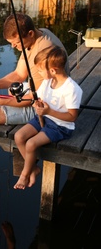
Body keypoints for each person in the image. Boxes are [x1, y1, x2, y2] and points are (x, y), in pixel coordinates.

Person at [0, 13, 69, 188]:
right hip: (44, 94)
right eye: (12, 44)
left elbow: (33, 98)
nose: (15, 48)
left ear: (30, 33)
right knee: (11, 89)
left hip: (47, 107)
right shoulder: (41, 34)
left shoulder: (43, 51)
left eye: (17, 43)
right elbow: (19, 74)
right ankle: (29, 168)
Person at [13, 45, 82, 189]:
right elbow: (41, 99)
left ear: (52, 70)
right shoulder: (47, 81)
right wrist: (38, 105)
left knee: (31, 144)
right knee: (19, 136)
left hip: (61, 126)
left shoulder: (72, 89)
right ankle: (33, 168)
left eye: (40, 69)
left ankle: (25, 175)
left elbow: (72, 117)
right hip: (44, 118)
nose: (38, 72)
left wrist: (48, 112)